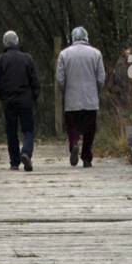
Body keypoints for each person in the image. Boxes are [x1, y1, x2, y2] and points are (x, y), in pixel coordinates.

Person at [56, 26, 105, 167]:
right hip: (90, 99)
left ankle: (74, 144)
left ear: (72, 38)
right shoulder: (96, 54)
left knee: (72, 127)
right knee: (90, 129)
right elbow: (101, 78)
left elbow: (60, 78)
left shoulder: (64, 54)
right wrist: (96, 91)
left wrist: (65, 90)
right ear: (86, 37)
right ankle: (86, 157)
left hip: (72, 99)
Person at [0, 30, 40, 171]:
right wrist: (34, 97)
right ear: (17, 42)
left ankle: (14, 162)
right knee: (28, 130)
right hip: (25, 99)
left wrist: (0, 97)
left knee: (11, 131)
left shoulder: (0, 60)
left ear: (5, 43)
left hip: (9, 100)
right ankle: (26, 152)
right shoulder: (27, 58)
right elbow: (35, 81)